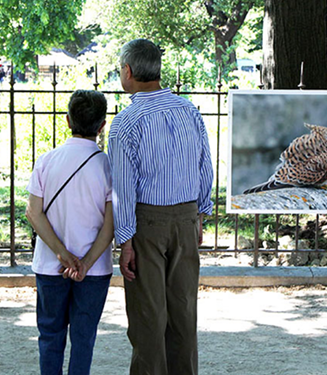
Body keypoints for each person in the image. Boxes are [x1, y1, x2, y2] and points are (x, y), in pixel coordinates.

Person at [108, 39, 214, 375]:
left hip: (147, 223)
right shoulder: (189, 112)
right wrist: (198, 215)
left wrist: (126, 241)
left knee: (148, 316)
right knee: (183, 311)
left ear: (128, 71)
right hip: (184, 218)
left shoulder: (126, 122)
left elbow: (123, 189)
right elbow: (204, 167)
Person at [26, 89, 113, 375]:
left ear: (67, 120)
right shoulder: (108, 167)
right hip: (95, 269)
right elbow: (110, 224)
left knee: (50, 336)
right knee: (84, 339)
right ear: (102, 126)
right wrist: (84, 263)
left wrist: (63, 254)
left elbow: (33, 213)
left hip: (51, 265)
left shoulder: (47, 161)